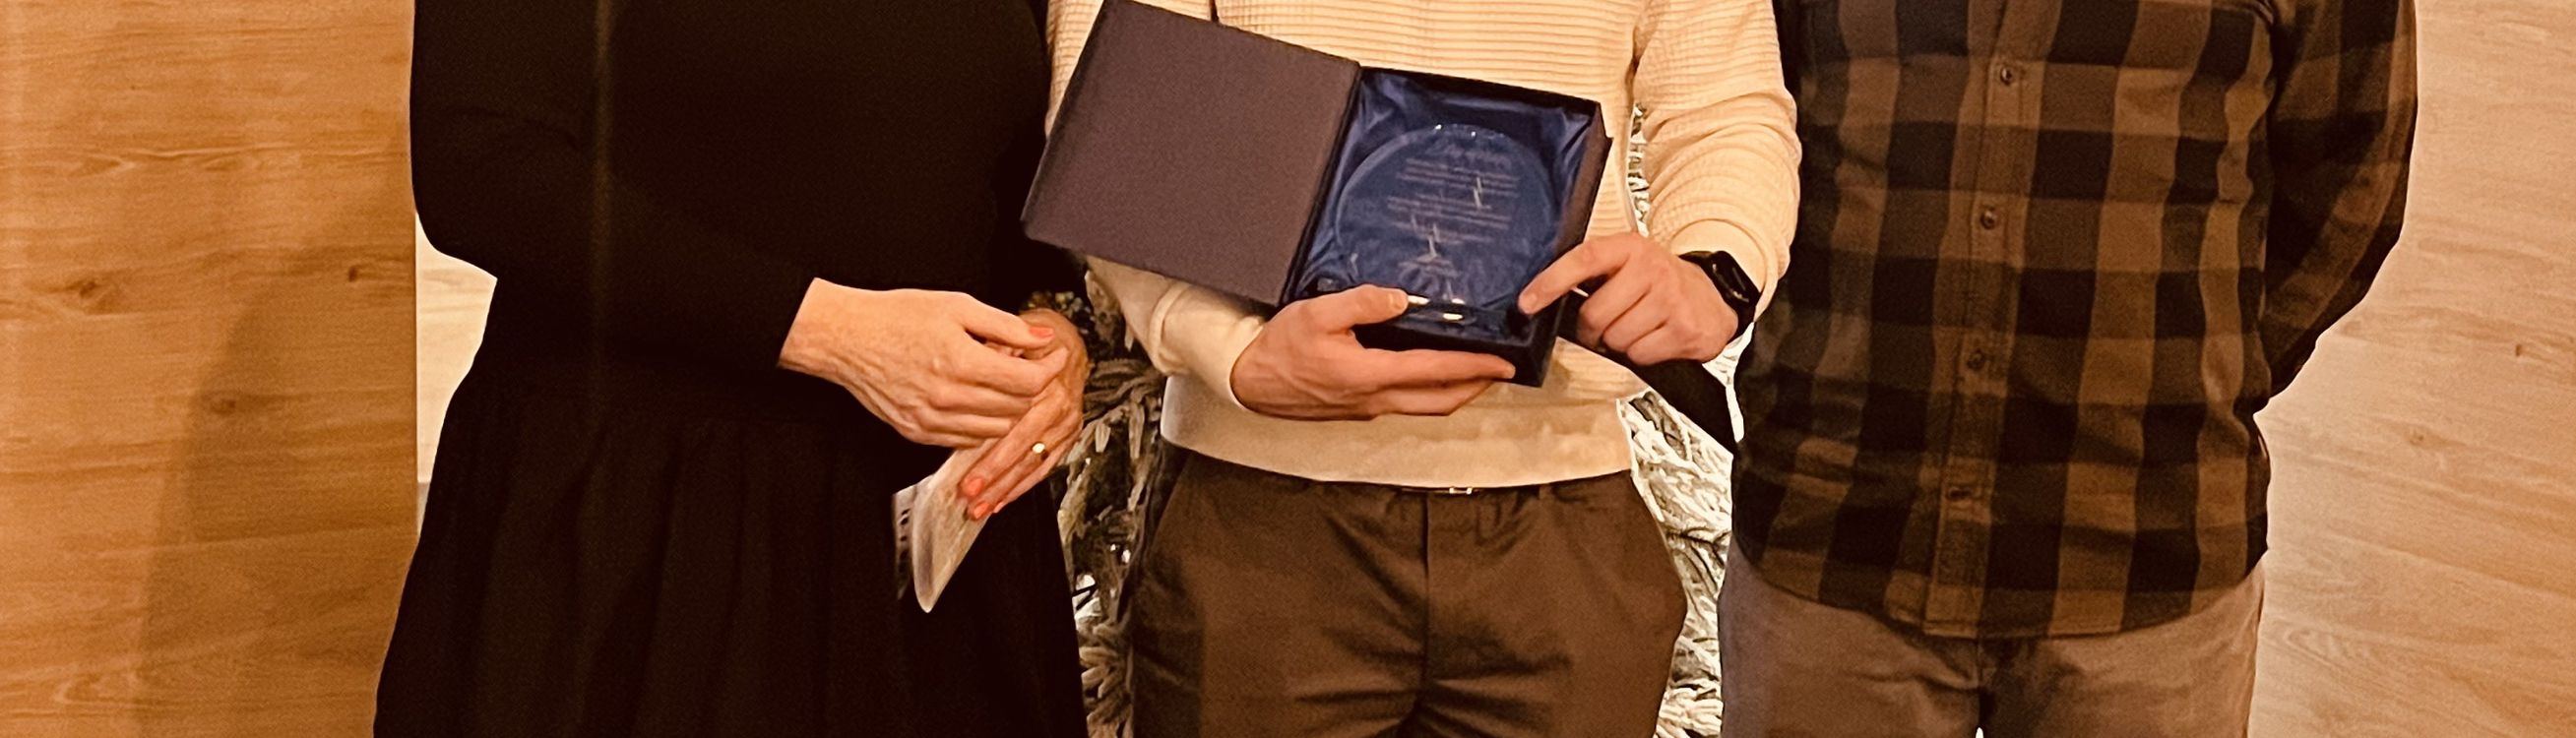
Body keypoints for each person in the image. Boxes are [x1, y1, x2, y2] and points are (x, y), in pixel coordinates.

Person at [1042, 1, 1797, 735]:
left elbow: (1723, 108)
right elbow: (1112, 120)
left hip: (1560, 511)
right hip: (1256, 511)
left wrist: (1716, 272)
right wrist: (1228, 350)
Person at [378, 0, 1089, 735]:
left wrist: (1051, 333)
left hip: (945, 536)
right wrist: (829, 332)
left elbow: (1009, 188)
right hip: (645, 530)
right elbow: (478, 162)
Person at [1724, 0, 2418, 734]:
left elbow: (2353, 187)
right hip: (1832, 531)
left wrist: (2198, 368)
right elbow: (1737, 117)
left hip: (2147, 555)